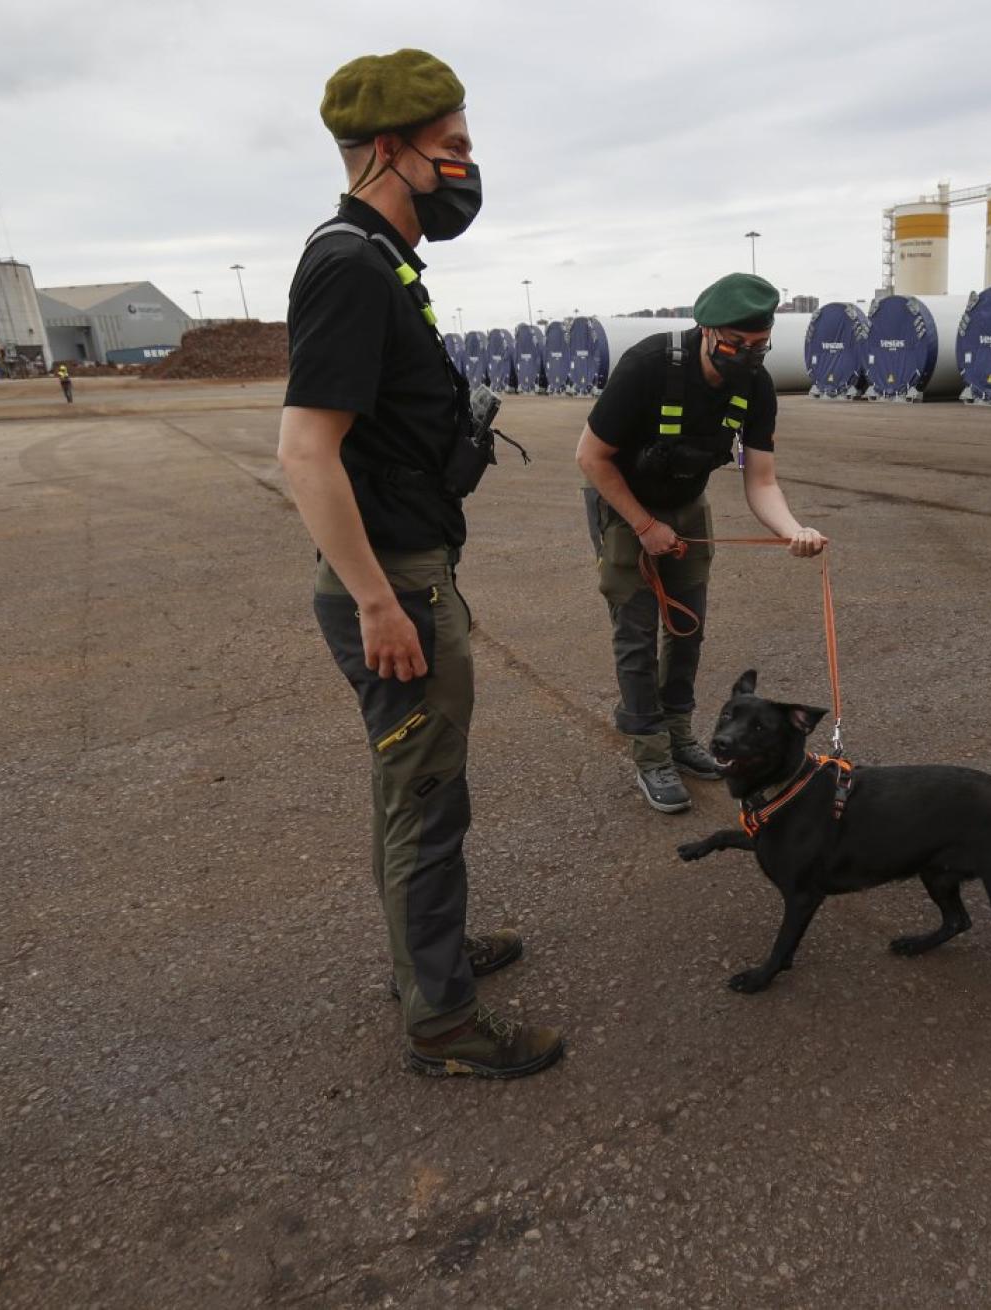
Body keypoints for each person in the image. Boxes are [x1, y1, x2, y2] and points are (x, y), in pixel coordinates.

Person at [276, 49, 564, 1079]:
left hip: (409, 563)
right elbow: (304, 451)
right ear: (387, 152)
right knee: (427, 798)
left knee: (413, 790)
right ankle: (441, 1018)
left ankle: (425, 960)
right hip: (391, 579)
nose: (468, 169)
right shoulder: (349, 264)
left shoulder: (383, 262)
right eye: (453, 150)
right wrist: (377, 602)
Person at [576, 274, 827, 813]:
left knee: (687, 629)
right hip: (623, 503)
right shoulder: (648, 366)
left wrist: (793, 531)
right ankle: (650, 753)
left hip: (686, 508)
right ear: (707, 331)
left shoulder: (755, 386)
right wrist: (644, 527)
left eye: (760, 346)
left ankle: (679, 734)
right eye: (737, 344)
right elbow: (590, 458)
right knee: (637, 633)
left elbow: (761, 480)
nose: (749, 356)